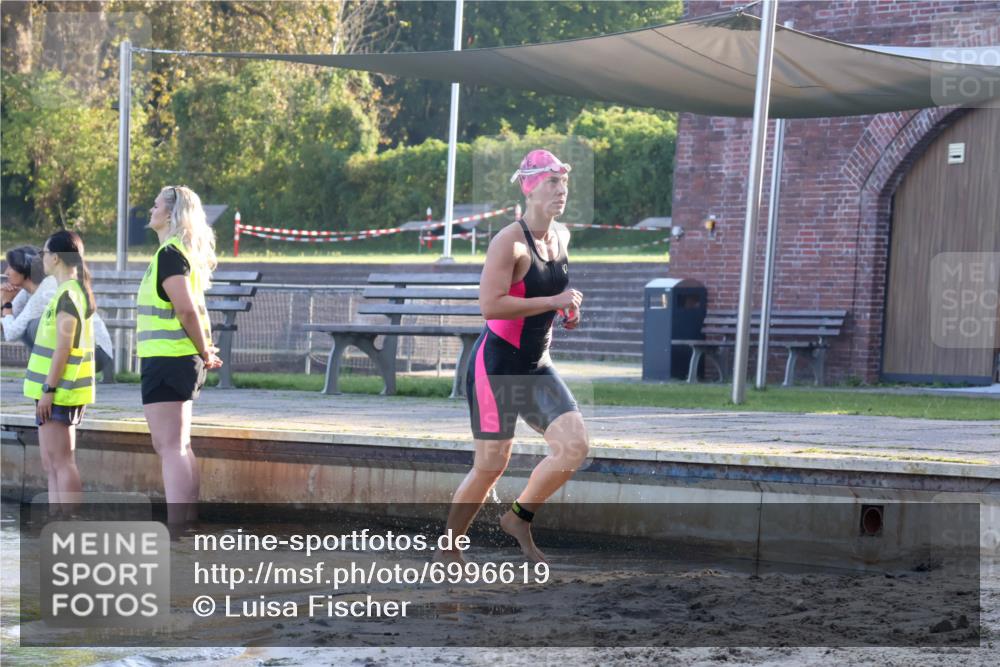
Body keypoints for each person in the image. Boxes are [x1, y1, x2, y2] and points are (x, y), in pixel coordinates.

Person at [441, 149, 589, 563]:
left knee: (574, 446)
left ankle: (518, 518)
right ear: (529, 189)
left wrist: (566, 310)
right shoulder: (509, 242)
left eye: (564, 183)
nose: (561, 191)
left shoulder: (562, 237)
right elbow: (491, 306)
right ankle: (449, 551)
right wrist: (553, 299)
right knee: (490, 466)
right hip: (497, 369)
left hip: (537, 365)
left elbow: (546, 297)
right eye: (552, 184)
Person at [138, 185, 222, 524]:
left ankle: (177, 527)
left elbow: (185, 310)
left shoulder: (170, 255)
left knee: (169, 447)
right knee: (180, 445)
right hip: (178, 358)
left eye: (156, 205)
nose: (151, 210)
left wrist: (204, 349)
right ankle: (185, 523)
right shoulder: (179, 253)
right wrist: (202, 351)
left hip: (168, 359)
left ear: (171, 214)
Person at [22, 231, 97, 507]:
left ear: (55, 258)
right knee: (51, 463)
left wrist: (49, 389)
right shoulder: (65, 291)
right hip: (53, 391)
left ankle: (68, 526)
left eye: (43, 253)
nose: (41, 258)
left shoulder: (69, 295)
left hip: (59, 391)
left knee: (62, 463)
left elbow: (63, 348)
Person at [3, 245, 115, 379]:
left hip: (96, 352)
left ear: (24, 268)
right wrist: (3, 300)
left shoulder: (44, 290)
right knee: (25, 324)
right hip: (82, 350)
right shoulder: (28, 291)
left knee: (31, 327)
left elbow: (11, 333)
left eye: (11, 266)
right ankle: (49, 374)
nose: (6, 272)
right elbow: (6, 322)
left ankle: (47, 376)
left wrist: (6, 304)